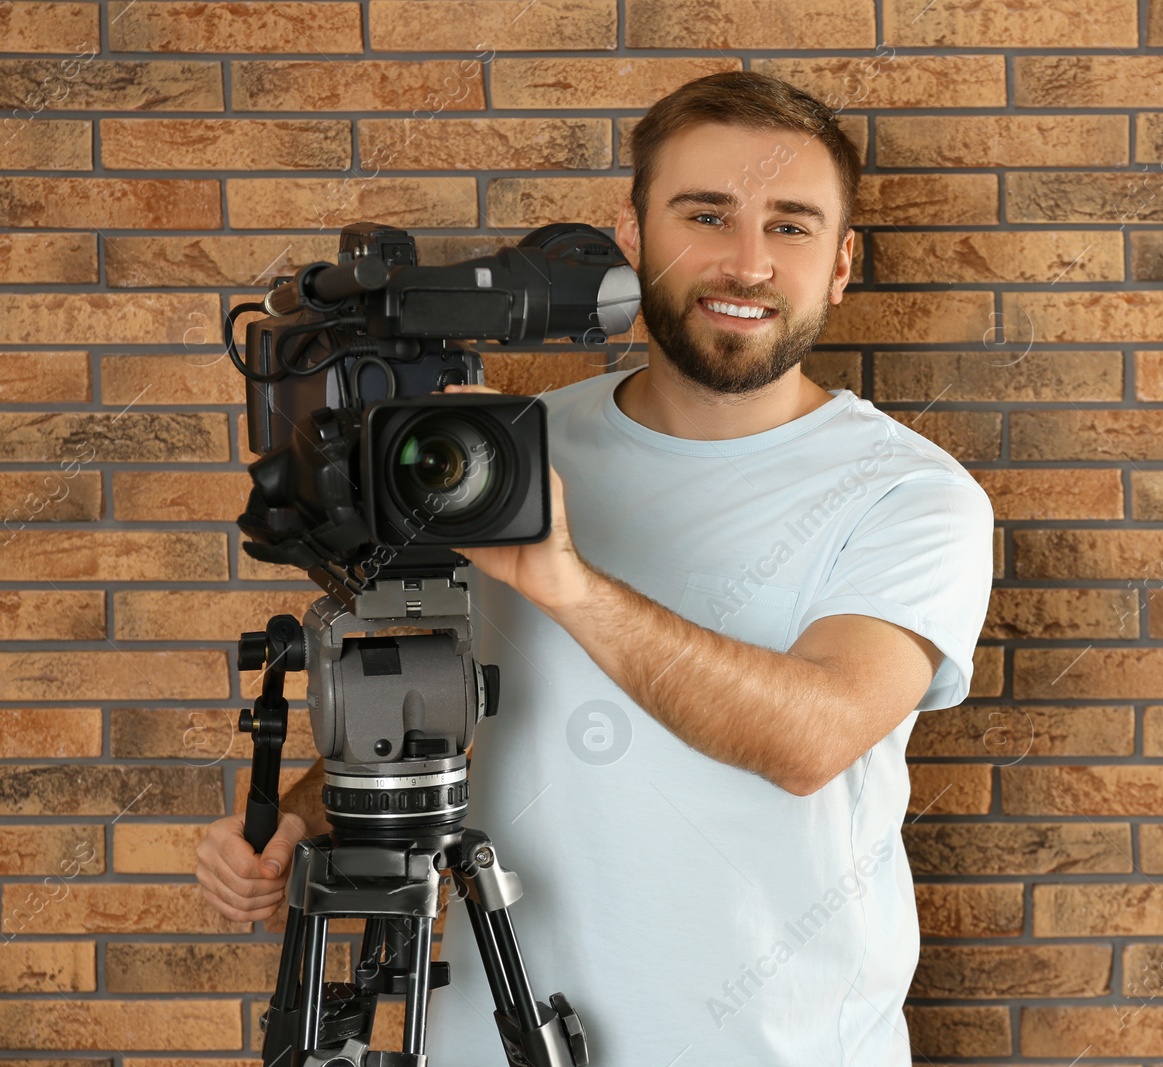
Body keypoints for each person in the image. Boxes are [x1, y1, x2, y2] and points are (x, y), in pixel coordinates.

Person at [195, 70, 994, 1066]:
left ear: (840, 264)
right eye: (705, 214)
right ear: (634, 236)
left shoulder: (909, 492)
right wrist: (293, 822)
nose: (746, 262)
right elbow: (428, 694)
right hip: (491, 1037)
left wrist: (565, 582)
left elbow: (812, 737)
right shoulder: (485, 454)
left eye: (790, 225)